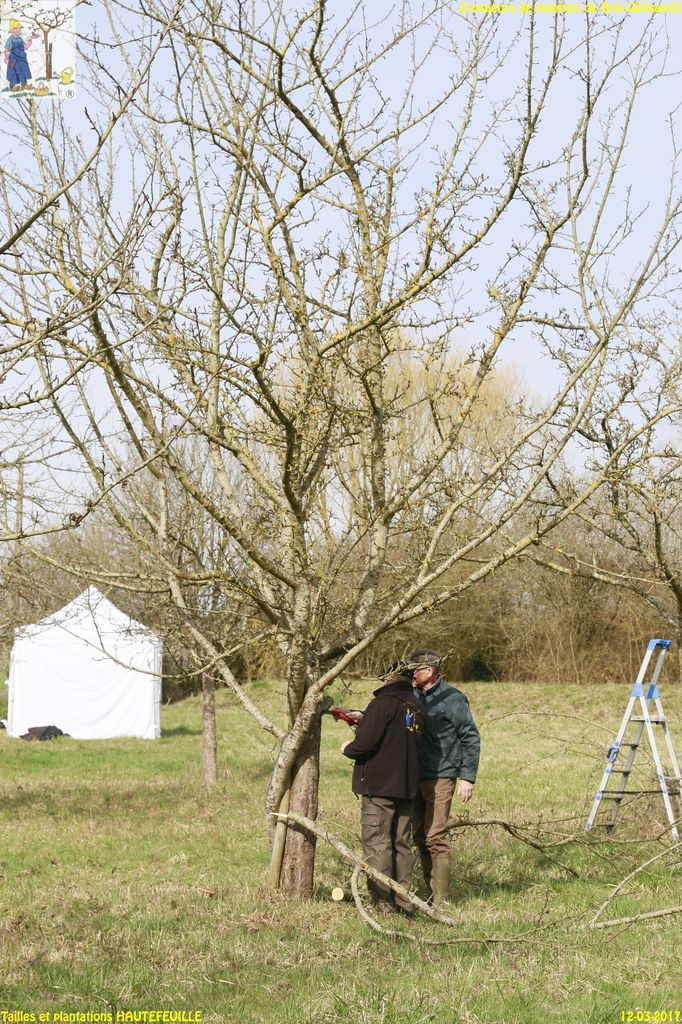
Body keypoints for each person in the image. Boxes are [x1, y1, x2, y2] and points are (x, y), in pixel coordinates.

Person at [340, 663, 425, 916]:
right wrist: (365, 719)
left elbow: (365, 744)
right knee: (401, 845)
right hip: (407, 787)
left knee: (377, 843)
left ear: (389, 678)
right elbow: (393, 733)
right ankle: (405, 903)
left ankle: (383, 904)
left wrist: (347, 748)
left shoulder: (382, 703)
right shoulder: (416, 706)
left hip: (379, 788)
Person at [408, 648, 480, 907]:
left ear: (429, 671)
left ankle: (441, 903)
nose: (411, 673)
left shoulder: (454, 699)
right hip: (414, 776)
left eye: (415, 669)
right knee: (419, 836)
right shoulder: (411, 696)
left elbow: (470, 737)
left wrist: (467, 777)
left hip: (441, 776)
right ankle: (428, 894)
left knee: (435, 837)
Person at [4, 20, 38, 93]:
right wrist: (7, 59)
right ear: (12, 30)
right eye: (15, 28)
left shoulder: (20, 39)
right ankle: (14, 86)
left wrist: (31, 39)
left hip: (22, 58)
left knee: (24, 70)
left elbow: (25, 46)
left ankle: (24, 84)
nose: (17, 30)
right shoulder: (10, 40)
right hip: (13, 59)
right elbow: (6, 50)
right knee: (14, 72)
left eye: (19, 28)